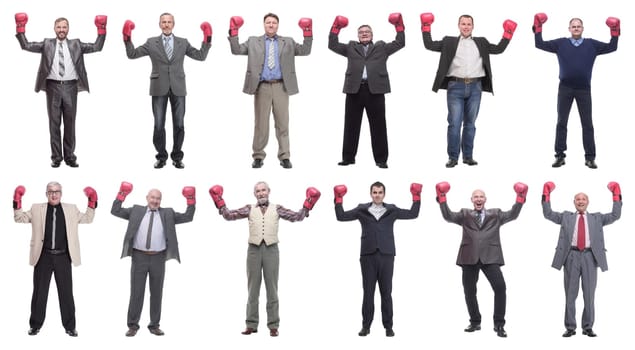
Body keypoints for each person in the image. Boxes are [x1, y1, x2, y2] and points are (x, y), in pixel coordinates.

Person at [209, 181, 320, 336]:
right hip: (253, 251)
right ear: (255, 194)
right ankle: (251, 325)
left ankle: (273, 326)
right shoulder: (249, 208)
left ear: (269, 191)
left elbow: (296, 217)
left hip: (271, 250)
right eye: (258, 191)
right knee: (252, 290)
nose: (261, 193)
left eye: (263, 190)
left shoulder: (277, 208)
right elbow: (229, 216)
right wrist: (219, 200)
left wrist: (308, 203)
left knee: (272, 289)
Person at [421, 13, 516, 168]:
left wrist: (508, 33)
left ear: (473, 26)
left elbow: (498, 49)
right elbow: (429, 45)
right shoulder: (449, 41)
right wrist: (426, 27)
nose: (466, 26)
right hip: (455, 87)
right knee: (454, 124)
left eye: (469, 24)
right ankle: (453, 157)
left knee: (470, 124)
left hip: (475, 87)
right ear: (458, 26)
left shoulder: (482, 42)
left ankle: (468, 157)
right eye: (463, 24)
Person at [435, 181, 527, 337]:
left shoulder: (496, 214)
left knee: (500, 287)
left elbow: (513, 214)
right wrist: (442, 197)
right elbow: (448, 216)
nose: (478, 199)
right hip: (468, 256)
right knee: (469, 291)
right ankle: (475, 321)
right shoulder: (464, 214)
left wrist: (520, 197)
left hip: (490, 256)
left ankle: (499, 325)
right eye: (475, 197)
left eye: (481, 197)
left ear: (485, 199)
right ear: (471, 200)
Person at [15, 13, 106, 168]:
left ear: (68, 29)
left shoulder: (76, 44)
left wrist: (101, 29)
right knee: (54, 123)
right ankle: (57, 157)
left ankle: (70, 157)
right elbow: (26, 45)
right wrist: (20, 28)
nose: (62, 30)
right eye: (59, 27)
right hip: (53, 87)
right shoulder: (47, 44)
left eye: (64, 27)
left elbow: (96, 47)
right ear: (54, 29)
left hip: (71, 87)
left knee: (70, 124)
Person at [123, 13, 211, 169]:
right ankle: (161, 157)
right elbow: (132, 54)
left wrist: (207, 38)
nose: (166, 24)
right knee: (158, 125)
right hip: (158, 87)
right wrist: (127, 37)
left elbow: (201, 56)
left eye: (169, 22)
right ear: (159, 24)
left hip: (178, 87)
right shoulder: (151, 43)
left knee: (179, 124)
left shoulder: (182, 43)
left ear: (173, 24)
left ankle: (177, 157)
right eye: (163, 22)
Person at [533, 14, 620, 169]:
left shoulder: (591, 44)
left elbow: (612, 47)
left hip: (584, 89)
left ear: (582, 29)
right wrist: (538, 27)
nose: (576, 28)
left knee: (587, 124)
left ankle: (590, 158)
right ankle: (559, 156)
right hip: (565, 88)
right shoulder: (561, 43)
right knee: (561, 122)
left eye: (578, 25)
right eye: (573, 26)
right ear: (569, 29)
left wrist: (615, 31)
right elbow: (539, 44)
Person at [334, 181, 420, 337]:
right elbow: (341, 217)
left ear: (384, 194)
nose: (377, 195)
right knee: (368, 292)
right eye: (375, 192)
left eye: (380, 192)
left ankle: (388, 327)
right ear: (371, 194)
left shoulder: (392, 210)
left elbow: (413, 214)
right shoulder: (361, 210)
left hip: (387, 255)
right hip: (368, 256)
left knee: (386, 292)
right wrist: (338, 199)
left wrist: (416, 197)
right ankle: (366, 326)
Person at [111, 182, 196, 336]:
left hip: (158, 258)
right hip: (139, 257)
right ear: (147, 198)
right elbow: (115, 210)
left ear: (160, 201)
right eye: (152, 197)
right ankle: (132, 326)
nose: (155, 201)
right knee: (136, 292)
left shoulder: (168, 213)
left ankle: (154, 325)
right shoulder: (136, 211)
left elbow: (188, 217)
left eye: (158, 198)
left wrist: (191, 200)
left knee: (156, 293)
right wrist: (121, 194)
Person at [228, 13, 312, 169]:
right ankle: (258, 156)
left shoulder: (288, 41)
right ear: (264, 25)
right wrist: (234, 31)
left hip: (282, 86)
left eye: (274, 22)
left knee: (283, 123)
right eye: (268, 22)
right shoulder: (253, 41)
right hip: (262, 87)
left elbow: (305, 51)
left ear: (278, 25)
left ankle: (285, 156)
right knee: (261, 124)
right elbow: (236, 50)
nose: (271, 25)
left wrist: (308, 32)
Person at [13, 181, 97, 337]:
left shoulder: (71, 209)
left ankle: (70, 327)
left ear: (61, 193)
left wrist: (92, 201)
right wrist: (17, 199)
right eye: (50, 191)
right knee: (39, 293)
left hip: (63, 257)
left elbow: (87, 219)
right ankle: (35, 325)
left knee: (66, 293)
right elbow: (19, 218)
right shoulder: (37, 208)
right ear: (46, 194)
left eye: (57, 191)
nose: (54, 194)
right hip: (42, 256)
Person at [542, 181, 622, 337]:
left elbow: (615, 215)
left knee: (589, 294)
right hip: (570, 256)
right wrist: (546, 195)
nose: (580, 201)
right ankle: (570, 327)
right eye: (577, 199)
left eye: (583, 199)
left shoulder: (597, 218)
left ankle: (587, 327)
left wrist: (616, 195)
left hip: (589, 257)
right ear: (574, 202)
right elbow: (548, 214)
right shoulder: (566, 216)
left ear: (588, 202)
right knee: (570, 294)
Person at [328, 14, 406, 169]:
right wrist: (335, 28)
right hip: (354, 90)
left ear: (372, 35)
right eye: (361, 32)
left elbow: (400, 43)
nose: (364, 33)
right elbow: (333, 45)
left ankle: (381, 160)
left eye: (367, 32)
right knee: (351, 126)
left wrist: (399, 26)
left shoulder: (381, 47)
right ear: (358, 35)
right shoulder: (351, 47)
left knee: (378, 126)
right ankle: (348, 158)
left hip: (375, 91)